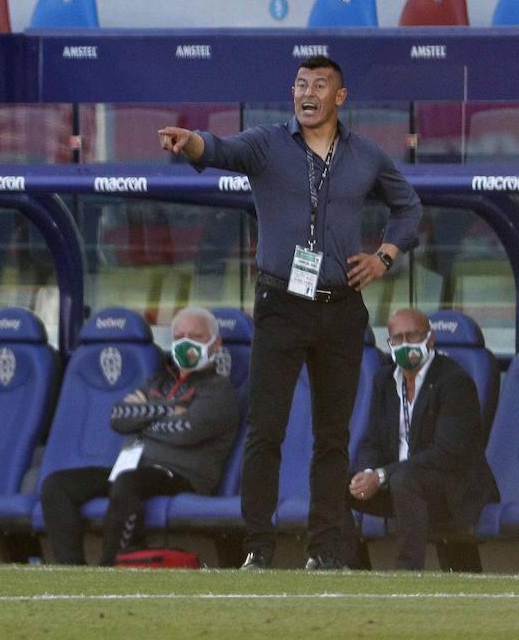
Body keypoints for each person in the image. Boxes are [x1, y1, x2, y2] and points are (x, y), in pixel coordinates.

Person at [158, 55, 422, 570]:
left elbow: (407, 205)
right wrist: (190, 140)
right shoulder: (266, 144)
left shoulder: (366, 155)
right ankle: (257, 547)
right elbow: (220, 149)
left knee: (332, 435)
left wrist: (384, 256)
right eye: (301, 83)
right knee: (266, 431)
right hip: (280, 304)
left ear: (339, 97)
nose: (308, 92)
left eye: (320, 84)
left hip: (341, 307)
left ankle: (324, 551)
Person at [40, 307, 238, 566]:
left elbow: (185, 432)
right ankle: (71, 569)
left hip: (182, 476)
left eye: (196, 336)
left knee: (128, 482)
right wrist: (168, 410)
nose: (186, 343)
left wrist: (143, 417)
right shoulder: (158, 382)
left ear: (215, 344)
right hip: (133, 468)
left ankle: (111, 566)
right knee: (57, 484)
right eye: (179, 337)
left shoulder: (219, 390)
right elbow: (119, 418)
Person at [344, 308, 498, 570]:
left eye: (412, 336)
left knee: (405, 480)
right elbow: (372, 440)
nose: (405, 344)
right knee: (336, 481)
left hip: (451, 489)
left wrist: (381, 475)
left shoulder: (455, 381)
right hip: (401, 485)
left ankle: (408, 570)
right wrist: (367, 473)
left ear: (430, 339)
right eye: (397, 338)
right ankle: (350, 567)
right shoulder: (384, 380)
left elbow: (446, 453)